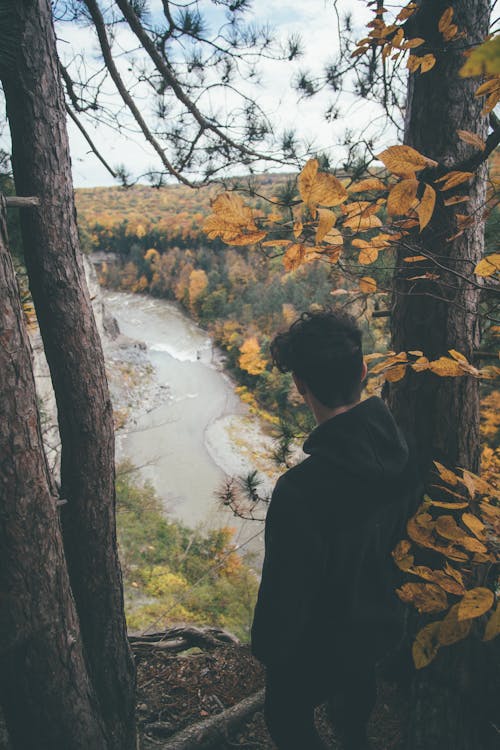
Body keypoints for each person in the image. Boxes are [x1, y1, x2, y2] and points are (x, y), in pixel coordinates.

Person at [251, 309, 420, 750]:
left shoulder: (301, 490)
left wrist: (269, 653)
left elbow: (283, 594)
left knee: (285, 716)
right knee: (354, 705)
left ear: (299, 385)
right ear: (363, 371)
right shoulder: (403, 450)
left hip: (320, 646)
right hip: (379, 628)